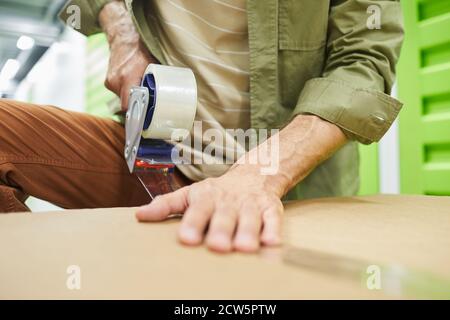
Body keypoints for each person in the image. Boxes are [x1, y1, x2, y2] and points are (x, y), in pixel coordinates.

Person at [0, 0, 404, 253]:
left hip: (286, 184)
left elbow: (363, 64)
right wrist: (122, 32)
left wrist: (259, 177)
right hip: (155, 162)